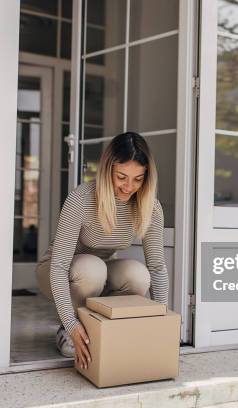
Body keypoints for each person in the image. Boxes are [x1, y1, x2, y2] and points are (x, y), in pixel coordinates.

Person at [35, 132, 169, 370]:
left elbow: (157, 266)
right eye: (121, 177)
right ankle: (71, 328)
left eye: (138, 179)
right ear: (107, 170)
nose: (129, 187)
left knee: (138, 274)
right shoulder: (81, 199)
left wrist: (162, 324)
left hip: (101, 271)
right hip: (58, 271)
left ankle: (101, 328)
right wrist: (70, 323)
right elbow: (58, 267)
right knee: (91, 269)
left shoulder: (150, 207)